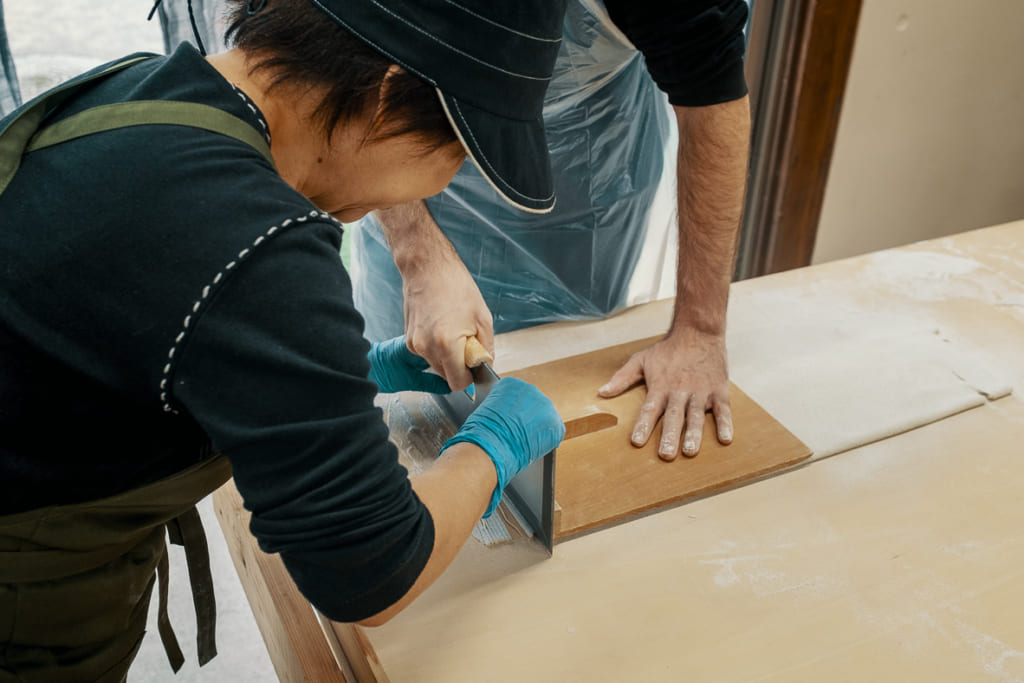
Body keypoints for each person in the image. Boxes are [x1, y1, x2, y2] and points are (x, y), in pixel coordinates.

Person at [0, 0, 567, 680]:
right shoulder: (258, 242)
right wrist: (493, 445)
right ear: (387, 92)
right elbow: (375, 565)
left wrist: (341, 375)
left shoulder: (151, 93)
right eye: (454, 158)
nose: (444, 184)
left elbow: (120, 327)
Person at [352, 0, 751, 461]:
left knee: (568, 370)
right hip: (400, 149)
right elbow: (353, 62)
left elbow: (712, 95)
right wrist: (418, 257)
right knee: (410, 425)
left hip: (588, 168)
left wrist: (699, 331)